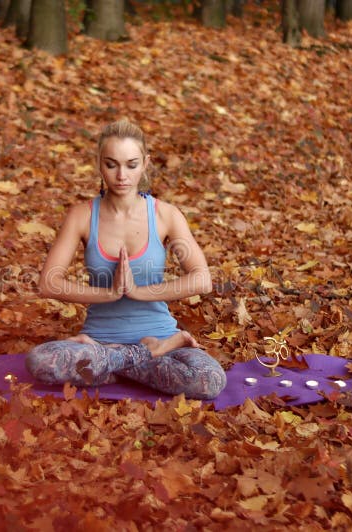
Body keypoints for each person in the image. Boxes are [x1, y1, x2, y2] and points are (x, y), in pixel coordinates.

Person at [25, 119, 226, 400]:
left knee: (210, 380)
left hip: (160, 336)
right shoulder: (81, 216)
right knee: (40, 361)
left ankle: (114, 364)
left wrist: (137, 292)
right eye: (111, 164)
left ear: (145, 163)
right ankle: (140, 356)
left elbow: (201, 279)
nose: (122, 175)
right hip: (103, 340)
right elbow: (49, 283)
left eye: (131, 164)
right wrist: (108, 294)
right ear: (99, 164)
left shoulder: (165, 216)